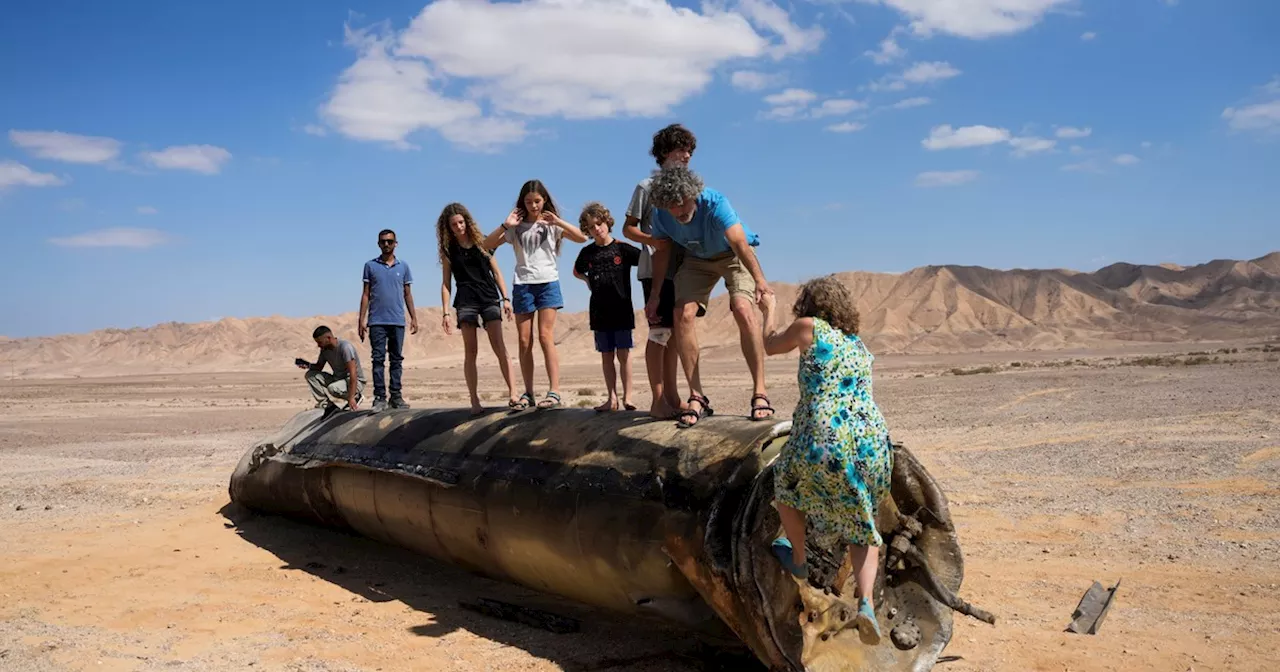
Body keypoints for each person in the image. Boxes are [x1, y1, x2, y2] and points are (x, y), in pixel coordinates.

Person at [759, 275, 893, 645]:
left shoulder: (809, 328)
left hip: (827, 436)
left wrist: (767, 312)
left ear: (810, 305)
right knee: (861, 522)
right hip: (870, 442)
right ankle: (865, 604)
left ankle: (798, 557)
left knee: (785, 480)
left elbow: (770, 346)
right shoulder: (857, 343)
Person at [644, 165, 774, 428]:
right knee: (682, 314)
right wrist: (655, 294)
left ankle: (760, 392)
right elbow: (662, 253)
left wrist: (760, 280)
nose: (678, 212)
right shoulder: (661, 214)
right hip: (697, 260)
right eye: (672, 207)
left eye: (682, 204)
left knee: (742, 309)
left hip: (733, 255)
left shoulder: (715, 203)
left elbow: (739, 242)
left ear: (694, 194)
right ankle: (696, 396)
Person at [484, 180, 588, 410]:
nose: (533, 206)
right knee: (524, 341)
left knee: (545, 336)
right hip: (523, 285)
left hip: (548, 283)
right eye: (529, 202)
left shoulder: (552, 225)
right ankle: (528, 393)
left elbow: (582, 237)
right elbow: (487, 244)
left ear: (544, 201)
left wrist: (557, 220)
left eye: (537, 201)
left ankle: (555, 391)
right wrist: (505, 224)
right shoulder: (515, 228)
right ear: (522, 202)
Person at [622, 123, 695, 420]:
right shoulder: (646, 187)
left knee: (678, 335)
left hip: (683, 269)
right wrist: (652, 240)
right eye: (681, 150)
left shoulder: (691, 187)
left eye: (689, 151)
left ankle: (674, 397)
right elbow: (628, 228)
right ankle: (656, 400)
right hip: (654, 270)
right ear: (665, 152)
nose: (687, 156)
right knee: (660, 332)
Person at [437, 202, 520, 416]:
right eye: (454, 225)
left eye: (461, 222)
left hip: (488, 297)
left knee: (499, 346)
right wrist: (445, 312)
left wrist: (506, 299)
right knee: (470, 351)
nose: (459, 227)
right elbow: (446, 283)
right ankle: (474, 400)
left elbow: (497, 273)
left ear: (467, 221)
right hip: (465, 300)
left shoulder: (482, 242)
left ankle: (514, 393)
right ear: (448, 227)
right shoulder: (448, 250)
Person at [573, 202, 641, 412]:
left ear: (607, 222)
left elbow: (646, 260)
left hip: (621, 308)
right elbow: (576, 272)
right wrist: (588, 281)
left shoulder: (622, 248)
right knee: (606, 356)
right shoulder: (587, 253)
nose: (597, 229)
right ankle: (611, 398)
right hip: (599, 311)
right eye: (592, 227)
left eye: (599, 224)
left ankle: (628, 396)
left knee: (624, 354)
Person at [358, 228, 418, 411]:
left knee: (396, 360)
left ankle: (396, 397)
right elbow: (366, 294)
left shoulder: (403, 267)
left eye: (389, 241)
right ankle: (379, 397)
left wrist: (414, 317)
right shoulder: (370, 266)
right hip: (376, 320)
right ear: (378, 244)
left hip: (397, 320)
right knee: (377, 359)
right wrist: (361, 319)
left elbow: (407, 294)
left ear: (395, 244)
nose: (386, 244)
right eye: (383, 241)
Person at [299, 325, 365, 413]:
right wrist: (308, 365)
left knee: (333, 388)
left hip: (354, 382)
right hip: (338, 380)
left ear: (328, 338)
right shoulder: (324, 350)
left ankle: (356, 397)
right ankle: (328, 405)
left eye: (320, 342)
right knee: (310, 375)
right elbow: (319, 367)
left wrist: (351, 397)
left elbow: (353, 374)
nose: (318, 345)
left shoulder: (345, 347)